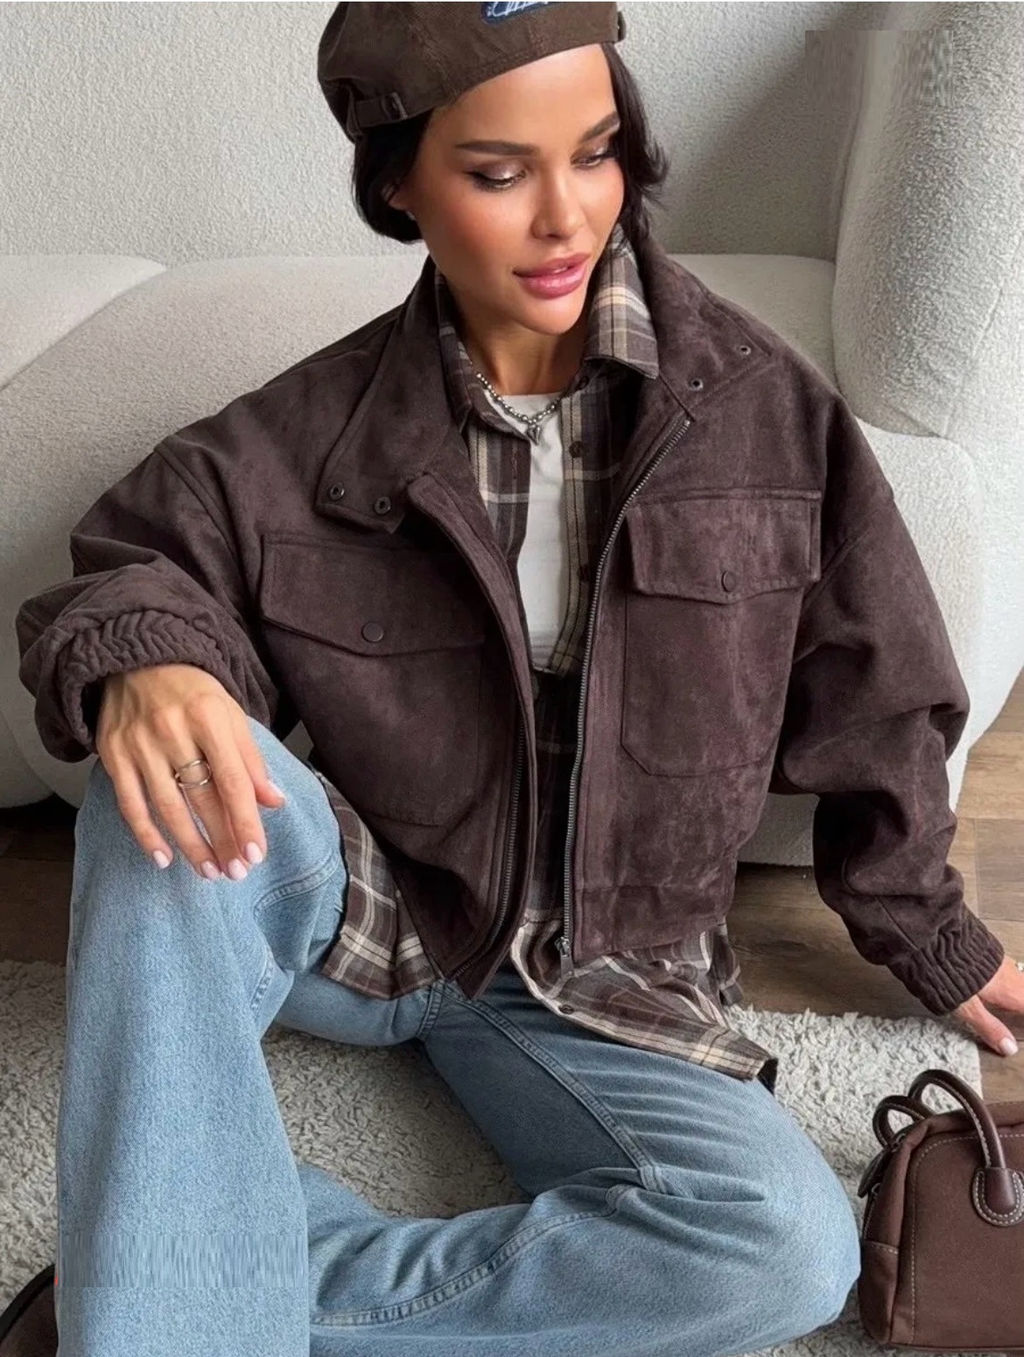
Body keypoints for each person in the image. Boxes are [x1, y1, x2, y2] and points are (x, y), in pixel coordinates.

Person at [18, 2, 1020, 1353]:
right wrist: (147, 662)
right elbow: (132, 565)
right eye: (498, 173)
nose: (567, 216)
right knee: (157, 790)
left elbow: (879, 695)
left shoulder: (764, 418)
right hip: (385, 915)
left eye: (596, 153)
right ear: (400, 184)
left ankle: (208, 1265)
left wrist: (930, 933)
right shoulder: (306, 434)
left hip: (611, 966)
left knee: (785, 1249)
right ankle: (165, 1307)